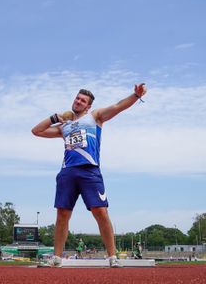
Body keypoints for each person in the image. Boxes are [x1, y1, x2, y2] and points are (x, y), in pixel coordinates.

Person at [32, 84, 147, 268]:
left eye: (82, 100)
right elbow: (36, 131)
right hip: (68, 171)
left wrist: (135, 95)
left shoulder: (95, 117)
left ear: (88, 106)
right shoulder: (64, 126)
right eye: (77, 98)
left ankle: (112, 257)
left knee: (100, 212)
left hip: (89, 170)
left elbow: (118, 106)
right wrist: (54, 117)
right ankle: (56, 257)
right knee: (62, 214)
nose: (78, 101)